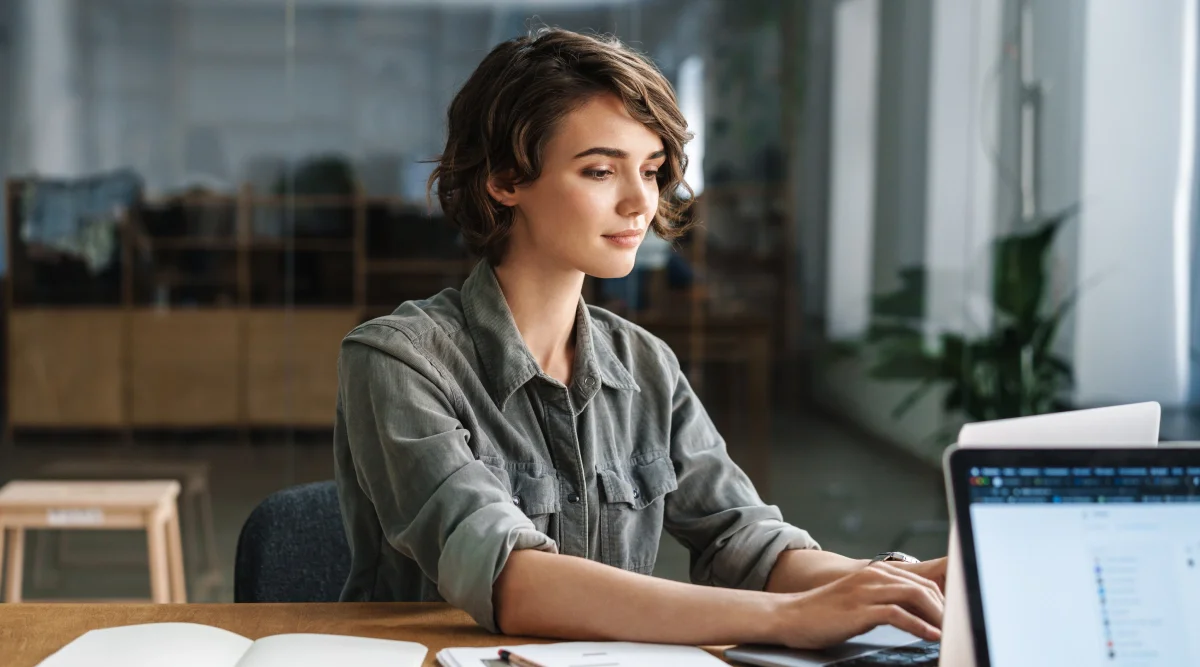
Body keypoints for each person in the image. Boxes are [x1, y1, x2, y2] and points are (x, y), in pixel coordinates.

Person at [333, 26, 948, 650]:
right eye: (600, 170)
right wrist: (790, 618)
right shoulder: (396, 360)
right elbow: (512, 579)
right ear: (504, 179)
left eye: (651, 171)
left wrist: (902, 585)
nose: (640, 203)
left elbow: (745, 542)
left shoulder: (646, 363)